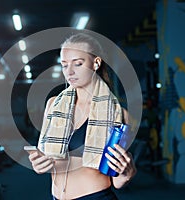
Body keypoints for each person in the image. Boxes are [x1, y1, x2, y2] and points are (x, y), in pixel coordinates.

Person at [28, 33, 137, 200]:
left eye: (78, 64)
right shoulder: (53, 105)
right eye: (64, 65)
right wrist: (39, 164)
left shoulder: (119, 114)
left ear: (96, 63)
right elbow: (45, 156)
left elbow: (117, 181)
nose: (69, 72)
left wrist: (126, 174)